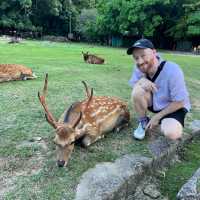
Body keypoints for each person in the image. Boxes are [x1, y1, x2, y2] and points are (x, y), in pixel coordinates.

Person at [127, 38, 191, 140]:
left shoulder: (173, 70)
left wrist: (157, 117)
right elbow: (134, 85)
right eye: (136, 58)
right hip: (156, 102)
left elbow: (180, 102)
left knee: (172, 134)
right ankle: (143, 121)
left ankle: (161, 122)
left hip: (174, 106)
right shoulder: (139, 67)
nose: (140, 61)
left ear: (154, 52)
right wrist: (142, 81)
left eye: (143, 55)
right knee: (137, 91)